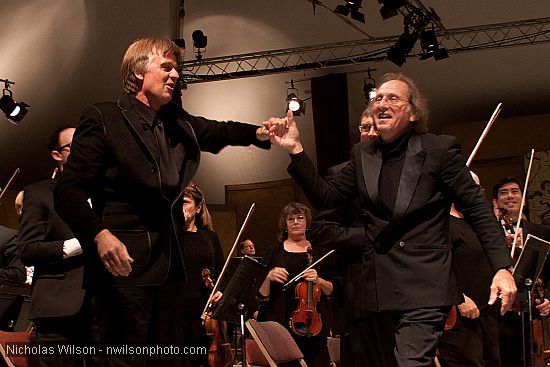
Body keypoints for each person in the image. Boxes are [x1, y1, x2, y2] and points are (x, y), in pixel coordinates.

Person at [54, 37, 281, 367]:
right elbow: (68, 190)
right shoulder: (104, 118)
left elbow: (216, 131)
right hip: (124, 269)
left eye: (177, 69)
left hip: (169, 268)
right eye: (166, 67)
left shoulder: (175, 120)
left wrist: (260, 133)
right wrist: (99, 235)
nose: (176, 75)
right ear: (138, 72)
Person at [266, 72, 517, 366]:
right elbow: (327, 197)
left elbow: (477, 209)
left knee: (411, 361)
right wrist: (296, 151)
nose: (382, 103)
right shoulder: (363, 154)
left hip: (425, 283)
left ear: (412, 113)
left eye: (393, 98)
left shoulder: (439, 150)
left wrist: (502, 267)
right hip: (379, 287)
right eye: (379, 98)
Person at [17, 124, 100, 367]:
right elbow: (28, 249)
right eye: (75, 146)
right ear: (57, 155)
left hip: (103, 308)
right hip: (59, 309)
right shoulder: (39, 193)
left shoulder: (106, 194)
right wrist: (80, 244)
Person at [437, 172, 501, 367]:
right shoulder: (441, 223)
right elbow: (436, 268)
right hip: (459, 315)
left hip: (487, 312)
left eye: (475, 188)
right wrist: (459, 297)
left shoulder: (479, 222)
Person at [258, 202, 333, 367]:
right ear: (285, 225)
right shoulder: (274, 251)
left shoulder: (319, 251)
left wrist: (318, 280)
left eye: (300, 218)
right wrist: (268, 276)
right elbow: (261, 293)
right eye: (290, 219)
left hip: (313, 323)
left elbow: (331, 289)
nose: (295, 222)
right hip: (281, 321)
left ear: (307, 223)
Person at [492, 176, 550, 367]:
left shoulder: (542, 232)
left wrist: (549, 297)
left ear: (523, 199)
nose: (510, 196)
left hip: (535, 308)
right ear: (495, 202)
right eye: (503, 193)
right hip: (500, 311)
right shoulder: (489, 234)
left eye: (515, 191)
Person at [176, 183, 225, 367]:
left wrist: (220, 290)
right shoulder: (171, 236)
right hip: (176, 310)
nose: (181, 207)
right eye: (178, 202)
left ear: (198, 207)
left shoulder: (209, 237)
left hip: (203, 313)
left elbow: (220, 270)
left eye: (186, 202)